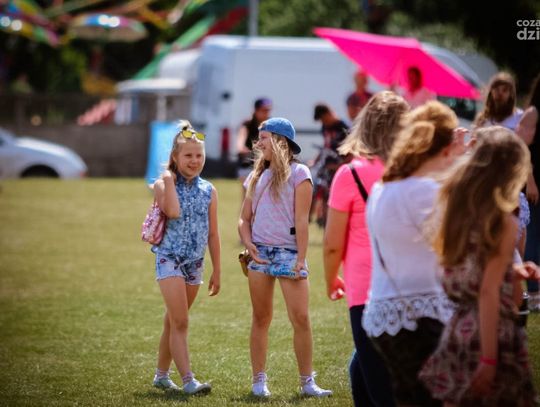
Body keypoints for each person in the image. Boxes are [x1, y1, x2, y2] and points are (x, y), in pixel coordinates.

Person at [419, 126, 538, 406]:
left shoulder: (456, 209)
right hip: (491, 331)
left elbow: (469, 270)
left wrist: (512, 272)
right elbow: (488, 291)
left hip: (457, 328)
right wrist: (489, 358)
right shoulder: (503, 221)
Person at [362, 101, 464, 406]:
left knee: (410, 397)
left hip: (386, 311)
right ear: (443, 150)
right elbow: (457, 248)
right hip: (416, 314)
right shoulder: (421, 191)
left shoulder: (385, 186)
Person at [324, 91, 409, 407]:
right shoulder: (416, 172)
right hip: (409, 286)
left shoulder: (350, 174)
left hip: (365, 290)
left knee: (381, 386)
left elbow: (332, 244)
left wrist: (330, 279)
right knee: (362, 370)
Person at [238, 117, 332, 398]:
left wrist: (301, 258)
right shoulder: (256, 177)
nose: (258, 144)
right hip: (260, 254)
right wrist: (248, 244)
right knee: (261, 318)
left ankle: (307, 383)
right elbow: (244, 219)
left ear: (280, 141)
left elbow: (302, 220)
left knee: (300, 318)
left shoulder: (300, 173)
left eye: (263, 138)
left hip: (290, 254)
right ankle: (258, 381)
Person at [150, 120, 221, 395]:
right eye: (188, 155)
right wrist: (168, 179)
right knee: (181, 322)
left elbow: (213, 234)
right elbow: (173, 212)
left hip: (195, 264)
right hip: (169, 259)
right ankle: (189, 380)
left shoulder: (209, 190)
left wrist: (217, 270)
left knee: (173, 320)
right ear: (175, 157)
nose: (194, 161)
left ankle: (160, 376)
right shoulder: (162, 185)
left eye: (199, 155)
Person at [517, 73, 540, 310]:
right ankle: (533, 293)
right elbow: (521, 147)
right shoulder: (533, 112)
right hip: (535, 182)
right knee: (533, 235)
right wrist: (530, 180)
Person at [311, 103, 350, 226]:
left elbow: (352, 153)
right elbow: (326, 146)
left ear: (329, 113)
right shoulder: (325, 127)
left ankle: (333, 223)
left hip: (340, 169)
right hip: (327, 168)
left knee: (335, 197)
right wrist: (315, 160)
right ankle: (322, 221)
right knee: (321, 193)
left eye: (324, 119)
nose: (323, 123)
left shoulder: (344, 128)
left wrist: (339, 166)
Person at [237, 98, 272, 184]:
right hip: (248, 161)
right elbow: (241, 137)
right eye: (263, 110)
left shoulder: (271, 125)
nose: (266, 113)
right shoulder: (248, 124)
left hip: (265, 162)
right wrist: (241, 147)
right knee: (247, 187)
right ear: (256, 110)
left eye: (268, 110)